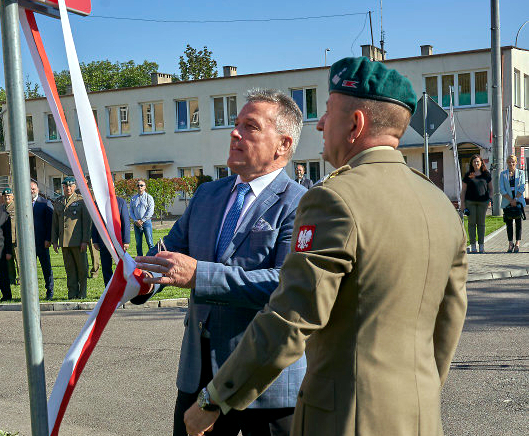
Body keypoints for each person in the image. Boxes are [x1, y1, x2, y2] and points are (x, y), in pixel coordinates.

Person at [183, 57, 468, 436]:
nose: (318, 123)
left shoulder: (333, 199)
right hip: (418, 417)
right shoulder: (440, 204)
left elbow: (291, 318)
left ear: (355, 125)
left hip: (345, 418)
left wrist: (214, 399)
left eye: (328, 112)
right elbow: (449, 321)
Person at [135, 88, 307, 436]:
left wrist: (201, 275)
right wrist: (135, 278)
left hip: (267, 386)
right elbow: (164, 255)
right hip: (199, 376)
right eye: (235, 124)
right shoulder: (208, 195)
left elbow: (286, 285)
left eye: (250, 126)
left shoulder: (302, 204)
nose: (235, 132)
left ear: (283, 145)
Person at [51, 176, 94, 299]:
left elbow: (87, 222)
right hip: (64, 242)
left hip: (78, 241)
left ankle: (82, 293)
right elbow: (54, 223)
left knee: (82, 269)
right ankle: (72, 293)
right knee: (70, 270)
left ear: (74, 187)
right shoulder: (58, 202)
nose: (68, 188)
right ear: (62, 188)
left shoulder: (81, 200)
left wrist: (85, 240)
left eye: (70, 186)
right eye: (65, 186)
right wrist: (54, 241)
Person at [92, 189, 130, 286]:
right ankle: (108, 287)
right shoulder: (98, 203)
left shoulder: (120, 202)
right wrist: (95, 240)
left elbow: (125, 222)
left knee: (120, 265)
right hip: (103, 240)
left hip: (118, 240)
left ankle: (122, 286)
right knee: (106, 266)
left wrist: (126, 241)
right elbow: (95, 222)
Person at [461, 154, 492, 254]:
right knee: (471, 224)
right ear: (472, 163)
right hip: (470, 202)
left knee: (481, 224)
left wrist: (489, 199)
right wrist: (462, 204)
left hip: (483, 203)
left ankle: (481, 246)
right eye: (474, 162)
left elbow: (491, 189)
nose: (476, 163)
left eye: (478, 161)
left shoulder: (486, 174)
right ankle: (473, 246)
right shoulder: (468, 175)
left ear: (481, 162)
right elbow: (463, 190)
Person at [31, 180, 54, 300]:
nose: (31, 191)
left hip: (42, 241)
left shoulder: (45, 203)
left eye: (33, 189)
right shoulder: (23, 203)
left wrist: (48, 239)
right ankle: (31, 293)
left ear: (38, 190)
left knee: (46, 267)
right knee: (30, 270)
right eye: (29, 189)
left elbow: (50, 223)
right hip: (29, 244)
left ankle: (49, 291)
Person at [499, 154, 525, 253]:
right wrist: (510, 200)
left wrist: (515, 199)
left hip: (518, 201)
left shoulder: (521, 173)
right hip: (507, 201)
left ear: (516, 162)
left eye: (513, 162)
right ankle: (510, 243)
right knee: (508, 223)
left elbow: (522, 187)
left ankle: (517, 243)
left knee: (518, 223)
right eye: (509, 162)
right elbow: (502, 189)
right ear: (507, 163)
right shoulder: (503, 174)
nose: (511, 163)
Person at [130, 180, 154, 256]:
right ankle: (140, 260)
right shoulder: (133, 198)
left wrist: (143, 220)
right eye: (138, 186)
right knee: (138, 243)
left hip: (146, 222)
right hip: (136, 224)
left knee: (150, 243)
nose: (139, 187)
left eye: (141, 185)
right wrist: (135, 220)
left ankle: (152, 259)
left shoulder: (149, 197)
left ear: (145, 187)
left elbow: (150, 211)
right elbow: (131, 211)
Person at [2, 187, 20, 285]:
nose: (7, 197)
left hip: (15, 239)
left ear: (13, 196)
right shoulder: (1, 208)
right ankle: (11, 279)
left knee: (19, 261)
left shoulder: (17, 207)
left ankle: (21, 279)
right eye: (5, 196)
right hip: (5, 240)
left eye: (8, 195)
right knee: (8, 261)